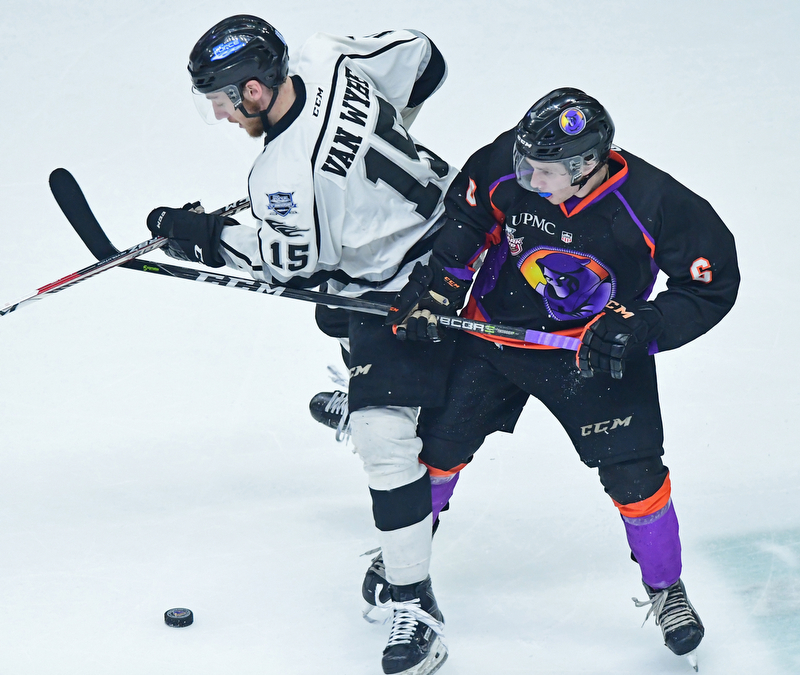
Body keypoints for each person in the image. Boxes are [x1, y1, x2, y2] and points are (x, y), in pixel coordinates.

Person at [374, 87, 739, 669]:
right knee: (436, 453)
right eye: (522, 161)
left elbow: (711, 286)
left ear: (586, 165)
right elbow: (473, 219)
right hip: (493, 336)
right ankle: (406, 552)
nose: (524, 175)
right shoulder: (506, 166)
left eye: (540, 169)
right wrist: (442, 284)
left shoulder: (656, 203)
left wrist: (643, 324)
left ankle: (667, 589)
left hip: (593, 355)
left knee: (637, 479)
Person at [145, 15, 459, 675]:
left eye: (223, 101)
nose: (221, 113)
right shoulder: (328, 56)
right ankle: (374, 391)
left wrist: (200, 235)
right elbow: (425, 61)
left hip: (406, 286)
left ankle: (416, 604)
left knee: (383, 439)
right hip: (461, 229)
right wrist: (376, 146)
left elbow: (289, 266)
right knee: (332, 311)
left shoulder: (282, 177)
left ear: (255, 91)